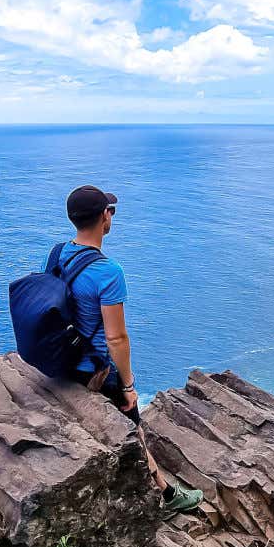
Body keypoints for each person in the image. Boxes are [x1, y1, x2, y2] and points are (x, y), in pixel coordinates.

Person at [56, 184, 203, 513]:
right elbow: (116, 338)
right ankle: (167, 496)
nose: (112, 217)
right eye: (111, 211)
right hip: (93, 369)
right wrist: (128, 386)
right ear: (104, 217)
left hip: (61, 361)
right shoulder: (107, 272)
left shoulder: (56, 254)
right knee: (133, 427)